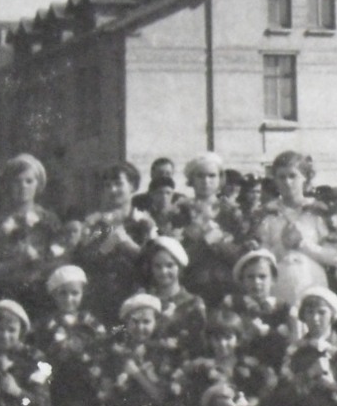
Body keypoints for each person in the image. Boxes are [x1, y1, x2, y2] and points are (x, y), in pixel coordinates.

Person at [96, 293, 188, 406]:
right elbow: (107, 389)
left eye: (146, 322)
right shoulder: (118, 352)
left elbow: (160, 395)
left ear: (156, 323)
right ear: (127, 324)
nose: (140, 328)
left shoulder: (162, 352)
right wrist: (111, 389)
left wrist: (136, 374)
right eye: (135, 322)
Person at [33, 265, 109, 406]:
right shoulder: (47, 325)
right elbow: (40, 355)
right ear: (54, 296)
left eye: (74, 293)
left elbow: (101, 351)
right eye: (63, 294)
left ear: (82, 294)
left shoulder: (92, 324)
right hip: (57, 381)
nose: (69, 299)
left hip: (86, 382)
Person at [0, 153, 68, 318]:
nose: (23, 187)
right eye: (16, 182)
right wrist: (4, 262)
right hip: (3, 289)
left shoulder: (48, 220)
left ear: (38, 185)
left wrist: (38, 261)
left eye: (29, 181)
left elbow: (61, 255)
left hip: (39, 291)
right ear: (8, 185)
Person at [254, 151, 337, 305]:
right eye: (281, 177)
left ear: (305, 178)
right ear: (275, 180)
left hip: (312, 283)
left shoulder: (319, 212)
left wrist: (301, 244)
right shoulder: (267, 214)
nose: (287, 182)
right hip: (279, 286)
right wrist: (281, 247)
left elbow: (334, 257)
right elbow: (262, 260)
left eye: (292, 176)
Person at [73, 162, 157, 323]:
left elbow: (155, 261)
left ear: (133, 186)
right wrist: (105, 248)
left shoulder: (145, 223)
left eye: (119, 184)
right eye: (107, 185)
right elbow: (83, 258)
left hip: (134, 297)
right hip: (100, 299)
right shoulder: (97, 224)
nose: (113, 190)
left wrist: (129, 246)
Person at [168, 152, 249, 306]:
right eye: (200, 176)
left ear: (221, 179)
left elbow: (242, 255)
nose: (206, 181)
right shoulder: (180, 212)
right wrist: (204, 241)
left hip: (228, 287)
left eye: (212, 176)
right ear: (191, 180)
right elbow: (176, 258)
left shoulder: (232, 212)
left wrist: (218, 243)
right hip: (191, 287)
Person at [223, 248, 295, 371]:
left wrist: (268, 333)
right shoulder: (234, 306)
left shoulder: (283, 309)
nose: (256, 282)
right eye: (250, 277)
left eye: (262, 277)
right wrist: (247, 334)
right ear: (242, 280)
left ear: (273, 280)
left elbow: (290, 346)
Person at [138, 236, 207, 357]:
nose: (163, 271)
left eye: (170, 265)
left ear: (179, 267)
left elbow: (199, 344)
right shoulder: (143, 301)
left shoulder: (192, 303)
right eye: (157, 266)